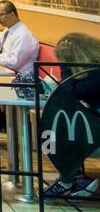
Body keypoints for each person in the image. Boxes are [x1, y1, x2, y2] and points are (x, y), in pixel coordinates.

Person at [43, 33, 100, 200]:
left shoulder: (95, 74)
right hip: (94, 122)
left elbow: (70, 92)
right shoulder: (95, 71)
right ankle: (73, 178)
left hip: (96, 134)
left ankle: (69, 180)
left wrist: (66, 67)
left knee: (52, 136)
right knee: (55, 132)